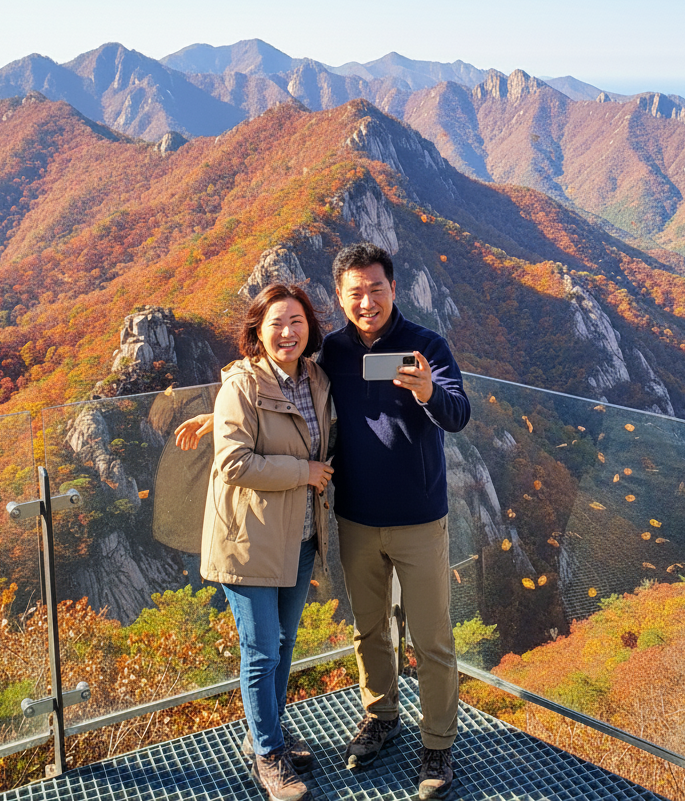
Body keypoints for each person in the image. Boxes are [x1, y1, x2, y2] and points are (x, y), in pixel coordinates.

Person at [319, 242, 470, 800]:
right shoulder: (331, 351)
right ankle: (380, 716)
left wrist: (428, 390)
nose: (367, 301)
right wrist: (223, 411)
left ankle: (438, 743)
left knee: (432, 638)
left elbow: (459, 413)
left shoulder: (426, 345)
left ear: (393, 289)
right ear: (340, 297)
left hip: (418, 518)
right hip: (356, 516)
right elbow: (280, 382)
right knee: (369, 629)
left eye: (375, 289)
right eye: (355, 292)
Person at [174, 284, 334, 801]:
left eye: (296, 322)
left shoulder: (316, 379)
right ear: (257, 333)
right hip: (249, 541)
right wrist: (304, 472)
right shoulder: (241, 385)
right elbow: (235, 462)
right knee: (261, 650)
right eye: (275, 324)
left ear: (309, 327)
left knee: (284, 644)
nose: (287, 332)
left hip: (299, 536)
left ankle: (268, 732)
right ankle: (267, 755)